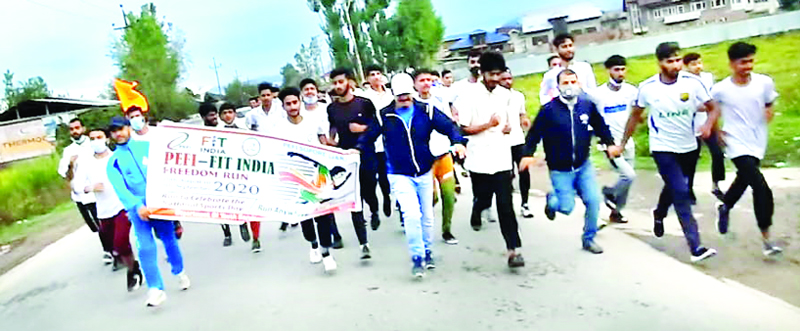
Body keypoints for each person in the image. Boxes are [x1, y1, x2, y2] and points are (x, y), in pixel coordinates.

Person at [608, 42, 720, 263]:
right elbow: (634, 116)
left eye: (678, 60)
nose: (676, 65)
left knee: (676, 186)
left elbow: (713, 107)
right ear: (660, 63)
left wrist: (708, 125)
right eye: (670, 61)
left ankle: (659, 213)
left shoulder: (693, 82)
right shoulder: (648, 87)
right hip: (662, 148)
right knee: (681, 192)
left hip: (689, 146)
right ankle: (696, 247)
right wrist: (622, 144)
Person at [356, 73, 467, 278]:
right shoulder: (384, 115)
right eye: (400, 96)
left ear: (412, 93)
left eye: (407, 95)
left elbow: (449, 127)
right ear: (393, 95)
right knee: (411, 215)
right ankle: (417, 257)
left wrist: (458, 142)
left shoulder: (427, 111)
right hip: (399, 173)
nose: (404, 99)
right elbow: (367, 137)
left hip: (424, 170)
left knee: (427, 216)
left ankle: (427, 251)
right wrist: (357, 150)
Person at [520, 69, 614, 254]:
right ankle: (552, 200)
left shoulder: (587, 105)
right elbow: (534, 134)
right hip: (560, 169)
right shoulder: (549, 110)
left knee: (593, 201)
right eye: (565, 83)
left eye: (573, 82)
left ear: (579, 84)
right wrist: (527, 154)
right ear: (558, 86)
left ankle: (588, 239)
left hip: (583, 165)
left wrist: (609, 144)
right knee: (566, 207)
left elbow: (601, 126)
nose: (570, 86)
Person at [106, 114, 190, 307]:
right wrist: (137, 205)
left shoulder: (148, 147)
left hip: (159, 204)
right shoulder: (113, 162)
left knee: (169, 239)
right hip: (138, 210)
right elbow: (121, 189)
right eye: (114, 131)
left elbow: (167, 169)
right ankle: (156, 288)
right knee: (144, 247)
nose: (118, 134)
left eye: (121, 129)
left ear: (128, 128)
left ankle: (179, 271)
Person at [456, 51, 525, 268]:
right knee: (484, 197)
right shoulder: (468, 95)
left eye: (499, 74)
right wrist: (488, 125)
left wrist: (507, 127)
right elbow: (464, 128)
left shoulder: (505, 95)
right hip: (478, 158)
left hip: (501, 156)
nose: (495, 78)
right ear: (482, 73)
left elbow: (507, 122)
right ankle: (477, 209)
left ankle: (513, 250)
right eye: (491, 74)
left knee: (505, 205)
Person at [714, 42, 782, 256]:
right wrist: (716, 131)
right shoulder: (721, 89)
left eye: (751, 61)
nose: (748, 66)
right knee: (760, 187)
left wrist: (769, 111)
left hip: (757, 139)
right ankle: (767, 239)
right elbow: (710, 109)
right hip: (734, 140)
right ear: (732, 64)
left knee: (744, 178)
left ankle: (725, 205)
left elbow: (769, 102)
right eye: (743, 62)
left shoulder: (764, 82)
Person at [273, 87, 339, 272]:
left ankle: (327, 253)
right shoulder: (279, 129)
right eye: (288, 104)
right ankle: (313, 244)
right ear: (283, 106)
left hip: (318, 175)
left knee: (323, 215)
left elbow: (324, 143)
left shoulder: (313, 121)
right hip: (296, 178)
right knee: (306, 218)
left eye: (295, 102)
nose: (293, 106)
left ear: (300, 102)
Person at [77, 127, 143, 291]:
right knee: (114, 246)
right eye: (92, 139)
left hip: (122, 206)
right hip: (103, 210)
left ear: (107, 139)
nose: (96, 141)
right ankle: (133, 265)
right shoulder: (86, 163)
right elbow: (77, 185)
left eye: (99, 137)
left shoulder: (116, 158)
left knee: (120, 242)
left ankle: (132, 272)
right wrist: (89, 187)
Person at [327, 67, 376, 260]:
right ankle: (364, 243)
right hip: (346, 158)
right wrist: (331, 139)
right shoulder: (332, 108)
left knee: (369, 190)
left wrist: (361, 129)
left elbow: (376, 127)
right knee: (354, 199)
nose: (338, 86)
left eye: (341, 82)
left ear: (350, 82)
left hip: (366, 154)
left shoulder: (364, 104)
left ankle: (374, 209)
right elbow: (332, 126)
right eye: (335, 83)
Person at [589, 55, 638, 224]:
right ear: (608, 70)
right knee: (628, 176)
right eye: (616, 69)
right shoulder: (598, 94)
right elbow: (593, 119)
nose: (620, 73)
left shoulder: (631, 91)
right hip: (609, 144)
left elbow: (636, 114)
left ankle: (617, 212)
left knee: (627, 182)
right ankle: (609, 192)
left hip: (627, 141)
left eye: (623, 69)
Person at [200, 103, 256, 250]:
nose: (214, 117)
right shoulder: (199, 133)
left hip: (230, 170)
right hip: (212, 172)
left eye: (215, 114)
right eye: (210, 115)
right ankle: (227, 233)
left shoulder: (224, 129)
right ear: (203, 117)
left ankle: (242, 222)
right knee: (218, 204)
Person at [413, 69, 460, 245]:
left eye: (429, 80)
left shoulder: (440, 99)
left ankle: (447, 230)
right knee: (431, 197)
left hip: (443, 153)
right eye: (422, 80)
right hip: (424, 158)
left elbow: (449, 124)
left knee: (448, 195)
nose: (426, 83)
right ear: (414, 84)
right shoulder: (411, 104)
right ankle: (420, 225)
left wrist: (456, 143)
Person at [300, 78, 344, 248]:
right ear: (302, 93)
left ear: (317, 91)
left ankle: (335, 234)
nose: (309, 92)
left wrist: (332, 141)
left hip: (327, 156)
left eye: (312, 88)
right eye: (306, 89)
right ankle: (319, 235)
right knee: (314, 198)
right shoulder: (299, 112)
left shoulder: (327, 108)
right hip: (306, 162)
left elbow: (334, 126)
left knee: (326, 197)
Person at [57, 118, 106, 263]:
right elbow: (66, 176)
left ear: (83, 129)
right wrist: (71, 164)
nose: (75, 131)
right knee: (95, 226)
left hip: (97, 192)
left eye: (77, 128)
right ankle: (110, 248)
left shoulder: (93, 144)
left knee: (103, 223)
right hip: (80, 195)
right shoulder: (68, 151)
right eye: (72, 129)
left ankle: (110, 250)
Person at [683, 52, 726, 201]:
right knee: (692, 158)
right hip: (692, 124)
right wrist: (703, 106)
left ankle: (716, 184)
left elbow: (713, 99)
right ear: (686, 66)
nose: (698, 67)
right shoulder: (683, 81)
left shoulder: (707, 78)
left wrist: (712, 111)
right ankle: (688, 188)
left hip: (709, 122)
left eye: (699, 63)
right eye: (693, 64)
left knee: (718, 153)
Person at [499, 69, 533, 218]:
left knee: (524, 171)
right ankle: (504, 205)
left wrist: (525, 121)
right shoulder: (494, 98)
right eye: (504, 79)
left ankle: (525, 203)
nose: (507, 82)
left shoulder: (518, 96)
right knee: (506, 175)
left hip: (518, 139)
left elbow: (522, 114)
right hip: (501, 142)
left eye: (509, 78)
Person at [361, 65, 394, 219]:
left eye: (378, 73)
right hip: (375, 142)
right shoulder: (364, 98)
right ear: (367, 79)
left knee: (388, 175)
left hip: (392, 139)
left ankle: (387, 197)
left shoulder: (392, 94)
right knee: (375, 175)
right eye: (372, 74)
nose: (376, 77)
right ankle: (376, 205)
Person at [539, 33, 597, 105]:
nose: (569, 49)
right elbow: (543, 97)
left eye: (570, 45)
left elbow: (594, 92)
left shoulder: (584, 68)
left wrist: (582, 89)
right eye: (564, 47)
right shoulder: (550, 75)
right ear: (556, 49)